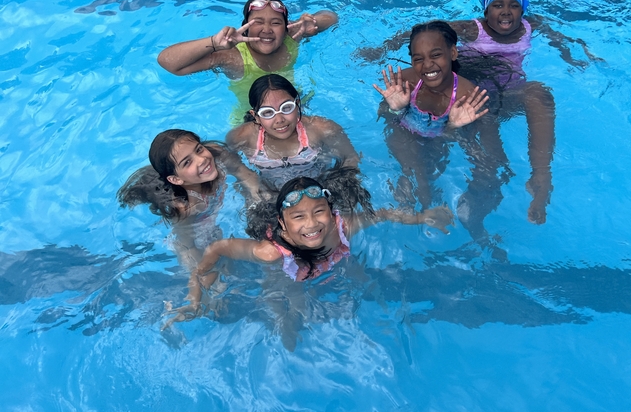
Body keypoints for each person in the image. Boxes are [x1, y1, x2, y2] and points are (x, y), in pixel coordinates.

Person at [165, 172, 453, 325]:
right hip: (290, 275)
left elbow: (382, 214)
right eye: (298, 217)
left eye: (319, 212)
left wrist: (421, 218)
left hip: (331, 264)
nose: (312, 224)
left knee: (364, 281)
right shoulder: (270, 252)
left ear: (331, 212)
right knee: (289, 308)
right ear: (283, 223)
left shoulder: (342, 228)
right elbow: (219, 247)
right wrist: (196, 283)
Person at [374, 21, 554, 238]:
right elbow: (385, 118)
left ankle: (474, 226)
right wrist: (395, 108)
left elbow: (490, 152)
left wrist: (454, 126)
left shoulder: (468, 97)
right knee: (417, 184)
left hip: (442, 138)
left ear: (453, 53)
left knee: (490, 174)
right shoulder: (406, 81)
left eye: (436, 55)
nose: (427, 65)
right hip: (405, 134)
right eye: (418, 58)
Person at [157, 0, 338, 121]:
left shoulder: (292, 37)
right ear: (245, 27)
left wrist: (310, 24)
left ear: (286, 28)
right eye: (258, 22)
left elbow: (331, 17)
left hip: (293, 109)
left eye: (276, 23)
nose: (267, 29)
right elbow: (168, 62)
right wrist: (214, 42)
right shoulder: (233, 57)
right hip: (252, 121)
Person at [360, 0, 599, 70]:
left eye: (514, 6)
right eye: (498, 5)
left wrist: (575, 56)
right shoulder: (472, 29)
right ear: (486, 11)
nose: (506, 12)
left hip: (508, 81)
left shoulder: (531, 25)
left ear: (523, 10)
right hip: (470, 75)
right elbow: (425, 31)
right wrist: (382, 49)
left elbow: (560, 38)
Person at [117, 129, 261, 271]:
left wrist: (257, 204)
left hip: (204, 198)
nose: (201, 159)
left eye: (198, 149)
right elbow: (187, 246)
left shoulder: (217, 155)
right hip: (199, 227)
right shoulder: (186, 207)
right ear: (176, 179)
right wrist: (202, 272)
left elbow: (244, 173)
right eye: (187, 162)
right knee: (222, 267)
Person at [226, 74, 360, 192]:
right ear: (256, 116)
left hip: (319, 188)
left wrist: (336, 187)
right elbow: (226, 159)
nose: (279, 119)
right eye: (267, 112)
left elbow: (350, 157)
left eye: (286, 108)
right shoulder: (242, 137)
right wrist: (249, 179)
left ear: (297, 105)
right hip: (270, 193)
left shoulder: (322, 129)